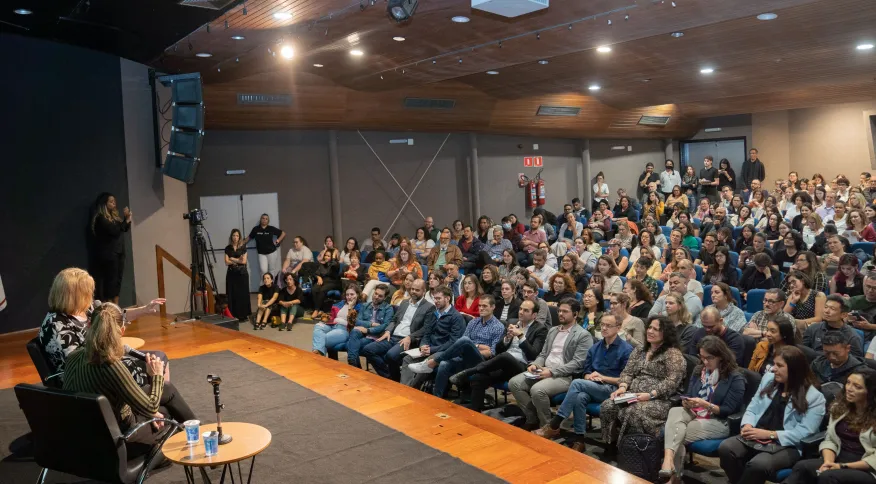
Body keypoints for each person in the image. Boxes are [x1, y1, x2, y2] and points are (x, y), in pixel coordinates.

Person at [63, 304, 196, 446]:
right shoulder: (111, 366)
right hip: (119, 437)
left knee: (167, 389)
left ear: (89, 325)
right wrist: (156, 375)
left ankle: (196, 432)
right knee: (166, 415)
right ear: (122, 331)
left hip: (84, 434)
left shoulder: (73, 356)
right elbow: (150, 407)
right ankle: (198, 437)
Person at [38, 268, 166, 386]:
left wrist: (145, 310)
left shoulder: (86, 308)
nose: (91, 294)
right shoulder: (56, 324)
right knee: (146, 367)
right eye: (87, 291)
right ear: (74, 296)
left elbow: (116, 317)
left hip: (103, 361)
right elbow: (78, 363)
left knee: (159, 358)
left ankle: (160, 400)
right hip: (84, 378)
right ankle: (151, 404)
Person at [717, 346, 826, 484]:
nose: (774, 369)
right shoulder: (769, 379)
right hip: (756, 434)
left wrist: (770, 434)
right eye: (774, 364)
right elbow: (753, 406)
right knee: (726, 448)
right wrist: (747, 425)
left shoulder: (814, 397)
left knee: (758, 465)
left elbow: (804, 433)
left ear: (794, 369)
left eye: (780, 365)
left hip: (787, 444)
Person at [534, 314, 633, 451]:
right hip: (592, 386)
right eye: (602, 325)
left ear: (618, 327)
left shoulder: (626, 350)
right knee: (580, 396)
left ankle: (554, 424)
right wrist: (589, 377)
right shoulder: (595, 347)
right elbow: (586, 372)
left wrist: (603, 378)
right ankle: (579, 440)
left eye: (608, 326)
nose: (604, 328)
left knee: (576, 384)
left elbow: (626, 379)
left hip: (612, 389)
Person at [661, 336, 745, 481]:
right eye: (702, 357)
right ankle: (669, 464)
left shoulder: (735, 378)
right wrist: (688, 402)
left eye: (709, 358)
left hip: (719, 420)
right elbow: (689, 394)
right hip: (696, 413)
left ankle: (670, 475)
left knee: (676, 433)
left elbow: (728, 410)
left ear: (721, 356)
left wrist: (705, 404)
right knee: (675, 411)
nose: (705, 362)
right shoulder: (699, 370)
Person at [601, 316, 686, 445]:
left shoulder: (673, 354)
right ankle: (610, 445)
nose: (650, 331)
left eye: (656, 329)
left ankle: (635, 449)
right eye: (650, 327)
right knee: (608, 406)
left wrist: (650, 394)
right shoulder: (640, 350)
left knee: (633, 411)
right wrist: (622, 387)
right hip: (633, 395)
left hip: (659, 399)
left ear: (666, 333)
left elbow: (672, 382)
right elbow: (628, 372)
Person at [510, 299, 594, 429]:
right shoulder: (553, 330)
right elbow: (543, 354)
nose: (560, 313)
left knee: (537, 390)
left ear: (576, 314)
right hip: (544, 369)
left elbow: (578, 363)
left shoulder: (583, 335)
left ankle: (548, 427)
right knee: (514, 383)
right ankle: (532, 418)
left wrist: (551, 372)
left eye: (565, 311)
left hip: (564, 376)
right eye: (559, 310)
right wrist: (535, 365)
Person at [783, 368, 876, 484]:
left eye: (857, 387)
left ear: (870, 392)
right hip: (837, 459)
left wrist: (842, 466)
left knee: (829, 477)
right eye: (848, 383)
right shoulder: (839, 408)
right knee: (803, 466)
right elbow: (830, 439)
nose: (849, 389)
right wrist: (828, 462)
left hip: (866, 469)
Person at [454, 299, 548, 412]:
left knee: (506, 356)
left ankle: (469, 371)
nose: (521, 312)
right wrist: (507, 338)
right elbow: (498, 349)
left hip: (522, 366)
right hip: (503, 365)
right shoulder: (512, 322)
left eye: (526, 310)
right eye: (521, 309)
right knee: (479, 378)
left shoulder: (540, 329)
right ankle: (475, 411)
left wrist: (521, 336)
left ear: (534, 315)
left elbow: (533, 354)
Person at [408, 295, 505, 398]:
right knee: (444, 364)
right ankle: (437, 397)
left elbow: (491, 352)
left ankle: (431, 362)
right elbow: (460, 344)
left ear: (493, 307)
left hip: (481, 362)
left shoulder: (498, 327)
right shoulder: (473, 322)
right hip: (463, 357)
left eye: (484, 306)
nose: (481, 308)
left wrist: (471, 348)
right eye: (480, 305)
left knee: (465, 341)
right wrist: (478, 346)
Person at [362, 280, 435, 382]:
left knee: (391, 356)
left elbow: (426, 328)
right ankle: (390, 378)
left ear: (424, 291)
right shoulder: (404, 302)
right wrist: (388, 331)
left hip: (407, 340)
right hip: (392, 336)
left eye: (417, 290)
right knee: (368, 349)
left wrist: (410, 337)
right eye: (412, 289)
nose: (413, 291)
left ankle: (394, 379)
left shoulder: (429, 307)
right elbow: (394, 320)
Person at [90, 192, 133, 304]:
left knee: (118, 280)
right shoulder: (101, 218)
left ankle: (116, 306)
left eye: (114, 201)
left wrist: (126, 219)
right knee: (110, 281)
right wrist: (126, 221)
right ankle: (109, 308)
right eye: (111, 201)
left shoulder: (114, 217)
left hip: (119, 252)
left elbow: (123, 228)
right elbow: (114, 231)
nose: (114, 203)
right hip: (109, 254)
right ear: (104, 203)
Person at [345, 285, 394, 368]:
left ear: (385, 298)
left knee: (350, 345)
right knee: (354, 332)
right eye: (375, 293)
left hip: (376, 337)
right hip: (364, 334)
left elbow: (384, 326)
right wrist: (371, 324)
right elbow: (357, 321)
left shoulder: (388, 308)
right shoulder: (365, 306)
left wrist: (368, 330)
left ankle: (353, 366)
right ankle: (353, 363)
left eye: (380, 296)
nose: (376, 297)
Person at [312, 285, 362, 356]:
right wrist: (326, 317)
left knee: (322, 339)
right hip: (332, 325)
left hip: (345, 330)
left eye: (352, 294)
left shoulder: (360, 307)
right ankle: (319, 354)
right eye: (347, 295)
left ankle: (318, 355)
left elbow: (352, 324)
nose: (349, 297)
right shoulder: (341, 303)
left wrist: (350, 307)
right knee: (318, 326)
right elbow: (332, 316)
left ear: (357, 295)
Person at [245, 214, 285, 281]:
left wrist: (278, 240)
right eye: (263, 218)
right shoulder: (256, 229)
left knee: (271, 270)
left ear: (268, 221)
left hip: (272, 252)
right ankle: (264, 287)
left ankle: (271, 287)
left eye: (266, 219)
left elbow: (283, 233)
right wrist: (242, 243)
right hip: (261, 253)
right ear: (260, 219)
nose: (264, 220)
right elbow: (249, 237)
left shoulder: (271, 228)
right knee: (263, 270)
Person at [224, 229, 251, 321]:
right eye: (234, 235)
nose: (235, 237)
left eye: (237, 236)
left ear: (239, 237)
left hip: (242, 273)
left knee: (242, 294)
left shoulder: (243, 247)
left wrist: (232, 258)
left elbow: (243, 261)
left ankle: (243, 315)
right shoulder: (228, 248)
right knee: (232, 294)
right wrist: (237, 260)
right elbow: (226, 262)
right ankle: (232, 315)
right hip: (231, 273)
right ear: (231, 236)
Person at [309, 248, 342, 319]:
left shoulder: (336, 264)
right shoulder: (322, 264)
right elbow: (316, 273)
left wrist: (333, 256)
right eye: (326, 255)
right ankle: (319, 309)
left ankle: (316, 310)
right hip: (323, 281)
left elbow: (334, 264)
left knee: (322, 290)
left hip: (333, 282)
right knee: (314, 289)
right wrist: (318, 277)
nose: (326, 257)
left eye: (328, 256)